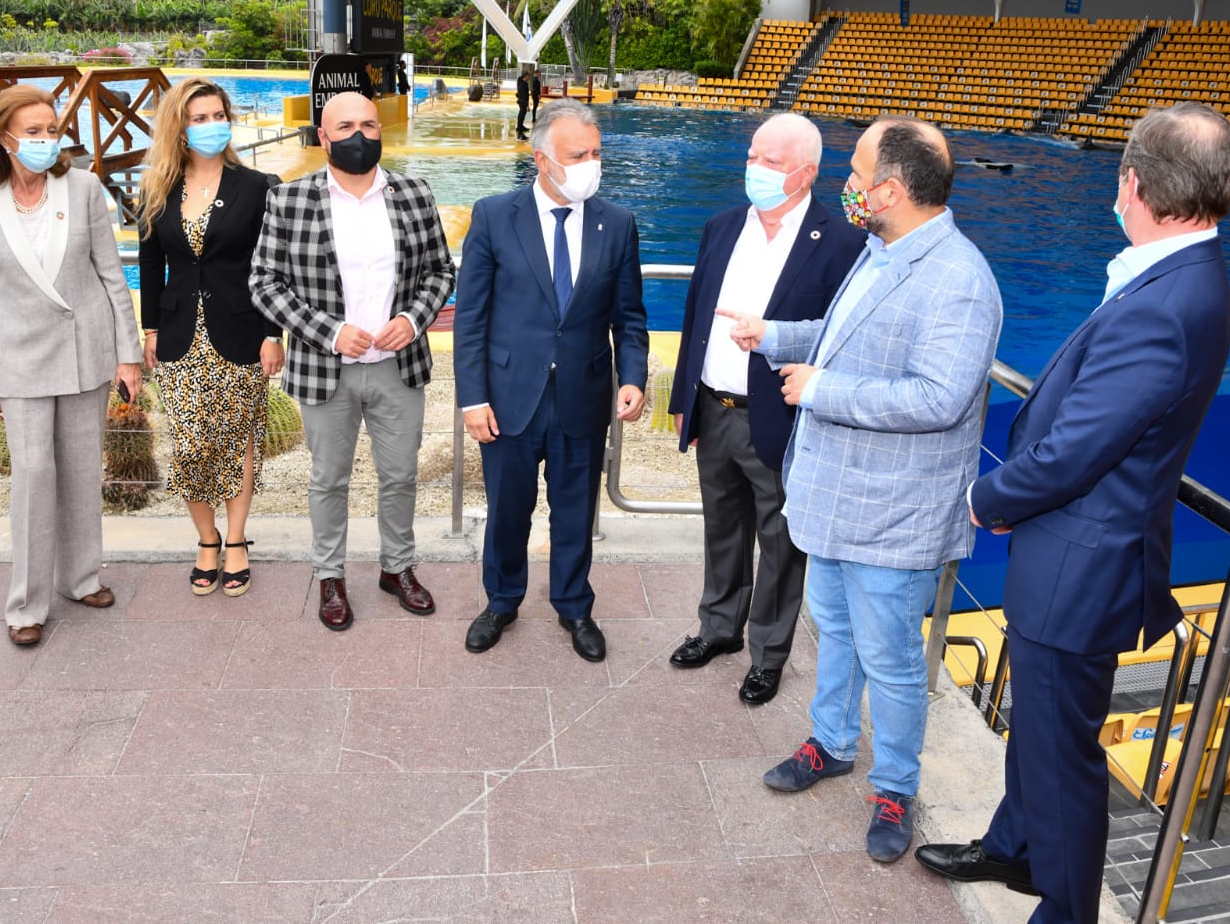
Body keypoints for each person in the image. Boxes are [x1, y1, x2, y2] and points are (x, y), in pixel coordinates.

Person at [916, 103, 1230, 924]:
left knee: (1063, 755)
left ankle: (1065, 909)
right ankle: (1016, 844)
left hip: (1081, 565)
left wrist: (985, 496)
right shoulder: (1179, 273)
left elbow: (1076, 452)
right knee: (1041, 727)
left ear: (1133, 182)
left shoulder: (1168, 301)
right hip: (1077, 552)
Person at [722, 116, 1002, 863]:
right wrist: (775, 335)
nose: (844, 188)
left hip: (895, 515)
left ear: (890, 189)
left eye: (853, 177)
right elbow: (842, 334)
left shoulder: (960, 279)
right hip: (836, 498)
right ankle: (832, 741)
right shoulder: (882, 249)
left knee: (893, 659)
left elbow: (937, 398)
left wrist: (822, 389)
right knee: (836, 633)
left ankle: (895, 786)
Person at [667, 113, 862, 705]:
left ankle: (768, 653)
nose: (755, 168)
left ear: (805, 173)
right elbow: (696, 314)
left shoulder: (843, 243)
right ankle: (719, 628)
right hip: (714, 406)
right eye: (753, 156)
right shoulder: (722, 226)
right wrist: (684, 400)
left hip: (782, 417)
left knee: (781, 539)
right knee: (722, 526)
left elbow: (839, 336)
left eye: (771, 162)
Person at [250, 91, 454, 630]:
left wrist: (412, 320)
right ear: (322, 137)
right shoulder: (288, 201)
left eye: (368, 123)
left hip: (398, 365)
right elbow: (264, 284)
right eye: (344, 126)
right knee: (328, 479)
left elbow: (440, 271)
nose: (358, 135)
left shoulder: (414, 192)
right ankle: (330, 577)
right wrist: (330, 332)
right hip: (325, 368)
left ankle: (398, 568)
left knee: (400, 475)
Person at [454, 98, 649, 661]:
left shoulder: (618, 223)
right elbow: (472, 318)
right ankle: (502, 601)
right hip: (510, 398)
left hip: (584, 399)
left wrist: (631, 376)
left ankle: (573, 605)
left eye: (596, 153)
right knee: (508, 511)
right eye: (577, 154)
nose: (592, 163)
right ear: (542, 158)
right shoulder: (494, 215)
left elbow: (629, 316)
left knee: (574, 512)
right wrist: (473, 398)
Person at [0, 83, 142, 645]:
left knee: (83, 470)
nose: (45, 140)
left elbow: (112, 275)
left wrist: (128, 354)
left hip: (87, 350)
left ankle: (81, 578)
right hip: (18, 358)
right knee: (33, 477)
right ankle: (26, 604)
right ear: (3, 137)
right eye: (33, 131)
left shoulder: (81, 186)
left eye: (51, 129)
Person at [137, 78, 284, 598]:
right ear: (179, 127)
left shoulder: (259, 185)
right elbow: (150, 265)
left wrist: (273, 333)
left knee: (240, 442)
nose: (211, 125)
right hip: (178, 337)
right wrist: (149, 329)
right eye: (198, 118)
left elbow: (273, 266)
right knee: (191, 446)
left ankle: (238, 541)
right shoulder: (155, 189)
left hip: (242, 332)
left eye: (218, 114)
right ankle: (206, 539)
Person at [514, 65, 533, 140]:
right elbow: (526, 97)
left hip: (520, 101)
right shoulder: (524, 84)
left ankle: (520, 127)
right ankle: (520, 132)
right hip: (523, 102)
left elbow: (519, 78)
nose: (529, 78)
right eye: (528, 76)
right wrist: (527, 106)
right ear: (525, 76)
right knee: (521, 116)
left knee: (521, 115)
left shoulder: (520, 80)